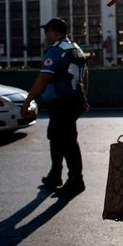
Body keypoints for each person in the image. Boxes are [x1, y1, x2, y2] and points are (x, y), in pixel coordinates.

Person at [21, 18, 89, 198]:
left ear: (55, 32)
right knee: (57, 138)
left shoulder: (56, 50)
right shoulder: (76, 48)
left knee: (67, 142)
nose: (46, 34)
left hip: (62, 102)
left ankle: (76, 181)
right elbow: (85, 76)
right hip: (74, 99)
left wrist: (27, 101)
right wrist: (84, 97)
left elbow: (43, 78)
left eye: (48, 31)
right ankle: (54, 175)